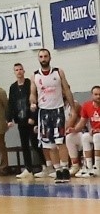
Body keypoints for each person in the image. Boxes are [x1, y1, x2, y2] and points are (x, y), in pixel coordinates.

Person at [30, 47, 76, 182]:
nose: (43, 59)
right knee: (49, 144)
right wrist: (32, 103)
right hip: (44, 112)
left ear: (50, 58)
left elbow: (66, 90)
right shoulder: (35, 76)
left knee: (60, 141)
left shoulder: (58, 72)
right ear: (38, 59)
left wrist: (73, 108)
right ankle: (57, 170)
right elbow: (32, 94)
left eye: (46, 56)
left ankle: (65, 168)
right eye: (41, 57)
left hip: (58, 110)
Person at [9, 61, 42, 178]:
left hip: (31, 120)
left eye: (20, 69)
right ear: (14, 72)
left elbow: (35, 101)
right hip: (21, 120)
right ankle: (28, 168)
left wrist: (33, 117)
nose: (19, 72)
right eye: (16, 70)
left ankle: (45, 165)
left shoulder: (29, 84)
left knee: (35, 143)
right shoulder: (13, 87)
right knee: (24, 145)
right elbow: (11, 104)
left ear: (24, 71)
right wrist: (9, 119)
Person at [75, 85, 100, 176]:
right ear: (92, 95)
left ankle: (97, 167)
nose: (98, 96)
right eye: (96, 94)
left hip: (98, 134)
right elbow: (82, 122)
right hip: (95, 132)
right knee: (85, 136)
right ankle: (88, 167)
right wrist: (74, 129)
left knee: (97, 136)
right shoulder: (87, 105)